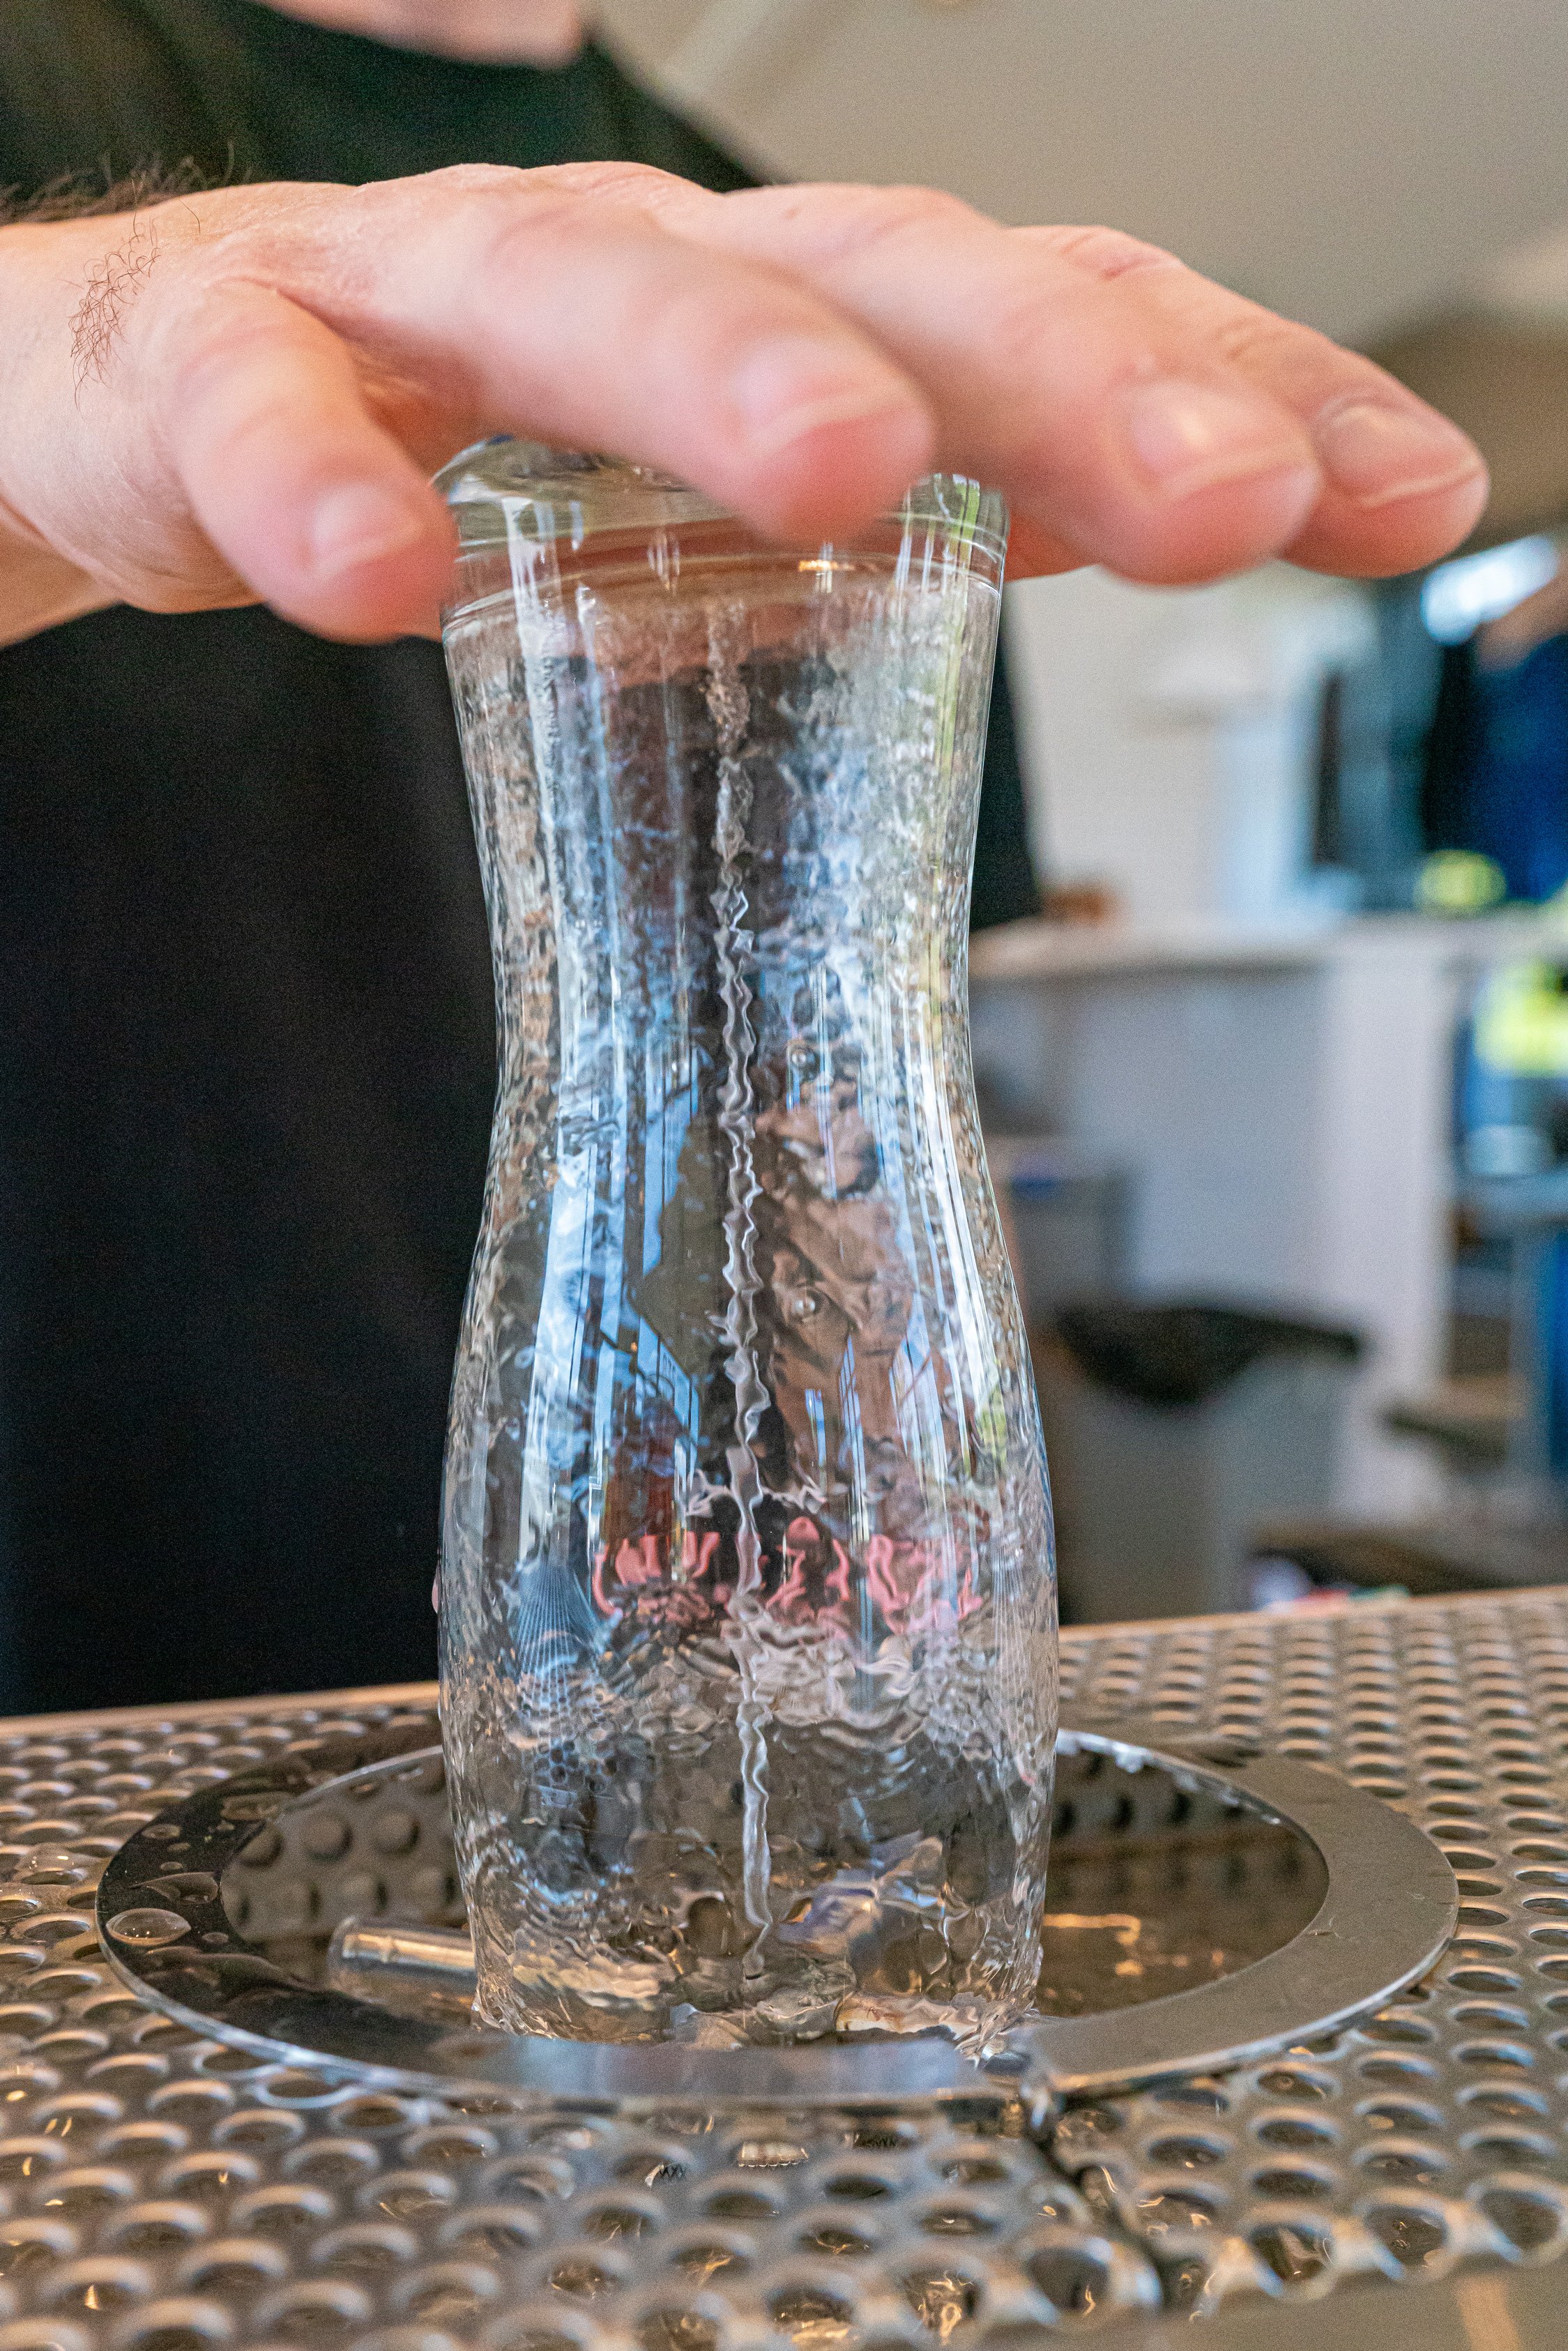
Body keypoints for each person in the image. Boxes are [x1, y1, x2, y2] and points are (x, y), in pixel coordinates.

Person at [0, 0, 1487, 1714]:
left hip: (683, 1687)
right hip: (76, 1687)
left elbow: (859, 1094)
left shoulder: (815, 304)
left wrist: (971, 1598)